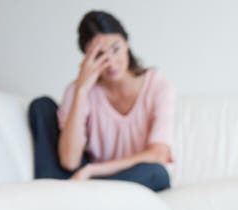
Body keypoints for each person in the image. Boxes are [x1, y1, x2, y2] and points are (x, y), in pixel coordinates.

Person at [27, 10, 173, 191]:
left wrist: (92, 170)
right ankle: (68, 195)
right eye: (99, 55)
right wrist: (81, 90)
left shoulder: (157, 86)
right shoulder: (79, 90)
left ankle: (73, 195)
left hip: (121, 176)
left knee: (157, 173)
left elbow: (159, 154)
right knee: (41, 106)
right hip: (83, 177)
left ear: (126, 44)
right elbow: (70, 161)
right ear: (86, 58)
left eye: (115, 49)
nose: (111, 62)